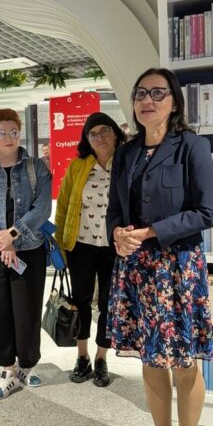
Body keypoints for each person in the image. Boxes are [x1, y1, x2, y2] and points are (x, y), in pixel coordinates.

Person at [106, 67, 213, 426]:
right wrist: (117, 235)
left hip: (177, 268)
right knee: (151, 359)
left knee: (183, 363)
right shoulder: (127, 152)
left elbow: (210, 211)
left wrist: (152, 231)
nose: (147, 100)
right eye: (140, 93)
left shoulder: (193, 146)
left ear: (174, 102)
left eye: (157, 93)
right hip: (135, 269)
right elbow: (115, 209)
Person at [0, 108, 51, 399]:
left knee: (27, 309)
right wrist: (2, 242)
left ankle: (28, 364)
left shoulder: (36, 168)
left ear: (19, 133)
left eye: (13, 132)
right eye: (2, 133)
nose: (8, 137)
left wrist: (13, 235)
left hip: (28, 249)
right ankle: (8, 368)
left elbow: (42, 208)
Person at [55, 112, 123, 387]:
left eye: (104, 131)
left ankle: (101, 358)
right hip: (81, 244)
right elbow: (63, 205)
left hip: (113, 247)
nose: (99, 137)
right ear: (87, 139)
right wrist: (60, 244)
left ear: (115, 132)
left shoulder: (126, 164)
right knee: (81, 301)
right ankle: (82, 357)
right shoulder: (78, 166)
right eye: (92, 134)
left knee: (108, 303)